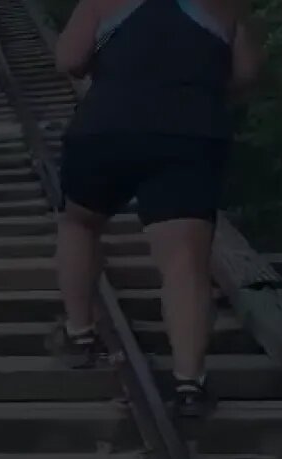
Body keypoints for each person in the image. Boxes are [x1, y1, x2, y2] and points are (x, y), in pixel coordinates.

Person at [46, 0, 263, 417]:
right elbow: (245, 73)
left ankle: (79, 333)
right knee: (185, 260)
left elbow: (68, 59)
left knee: (80, 223)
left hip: (106, 128)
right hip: (190, 133)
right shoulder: (225, 5)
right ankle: (189, 384)